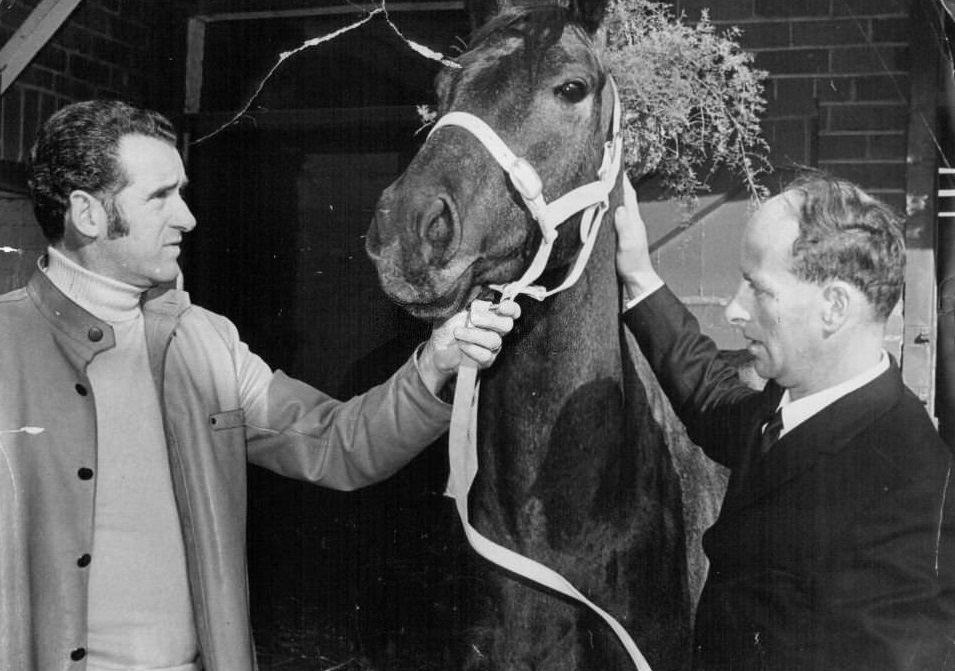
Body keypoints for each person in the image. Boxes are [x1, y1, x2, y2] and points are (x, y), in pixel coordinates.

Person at [0, 99, 519, 671]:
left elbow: (336, 445)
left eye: (182, 192)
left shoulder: (205, 342)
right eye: (159, 196)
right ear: (87, 214)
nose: (188, 218)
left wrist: (436, 364)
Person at [614, 172, 955, 671]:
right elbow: (714, 400)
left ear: (833, 307)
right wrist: (641, 277)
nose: (733, 308)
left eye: (758, 288)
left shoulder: (912, 490)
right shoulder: (794, 405)